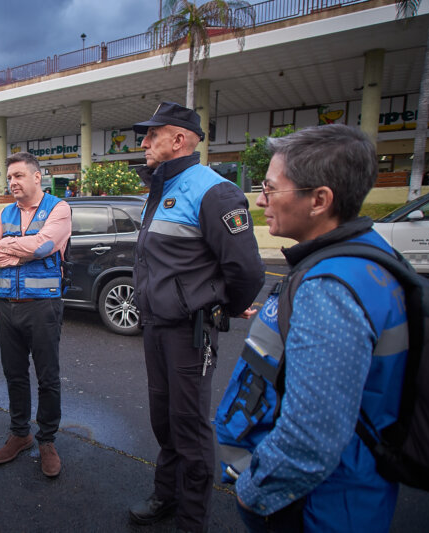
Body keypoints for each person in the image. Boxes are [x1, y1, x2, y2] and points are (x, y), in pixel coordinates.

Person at [216, 124, 408, 532]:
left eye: (269, 189)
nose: (261, 200)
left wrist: (252, 495)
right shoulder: (372, 254)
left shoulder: (329, 289)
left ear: (320, 200)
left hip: (313, 506)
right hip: (349, 492)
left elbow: (310, 440)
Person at [129, 102, 265, 531]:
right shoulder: (161, 186)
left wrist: (218, 307)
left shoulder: (214, 191)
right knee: (164, 420)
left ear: (179, 140)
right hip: (155, 326)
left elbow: (246, 271)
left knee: (188, 428)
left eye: (152, 135)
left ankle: (191, 519)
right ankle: (166, 496)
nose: (144, 142)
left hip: (189, 332)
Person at [0, 151, 72, 478]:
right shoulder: (5, 211)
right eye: (9, 177)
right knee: (14, 374)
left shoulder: (58, 208)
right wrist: (20, 251)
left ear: (37, 177)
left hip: (42, 305)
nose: (12, 182)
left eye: (18, 176)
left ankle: (46, 440)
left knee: (48, 376)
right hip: (6, 305)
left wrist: (9, 244)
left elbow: (44, 247)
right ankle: (20, 433)